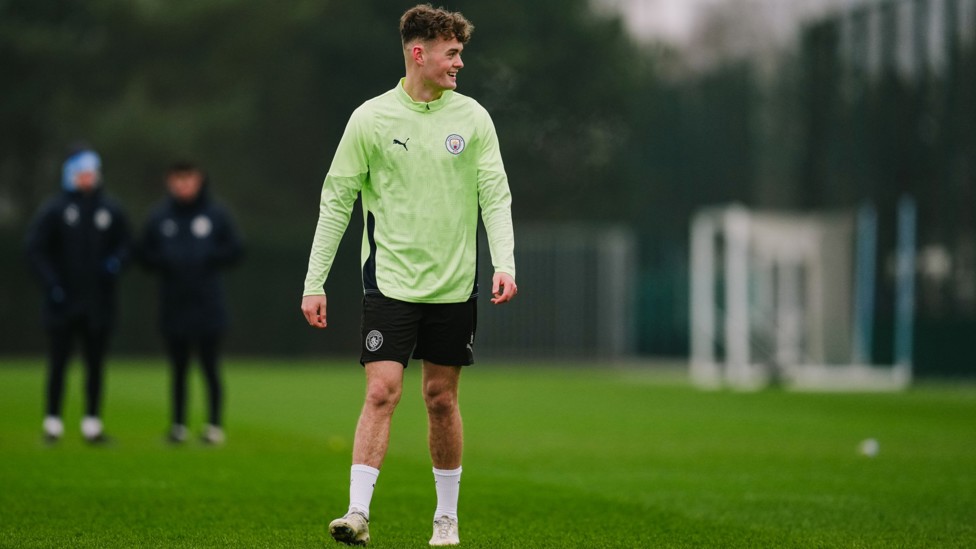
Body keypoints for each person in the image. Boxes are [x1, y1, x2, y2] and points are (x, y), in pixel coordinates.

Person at [300, 4, 517, 546]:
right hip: (390, 283)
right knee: (383, 391)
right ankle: (357, 514)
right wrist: (314, 280)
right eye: (452, 53)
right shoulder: (370, 119)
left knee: (441, 398)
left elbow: (496, 195)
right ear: (419, 54)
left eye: (461, 53)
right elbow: (336, 202)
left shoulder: (473, 119)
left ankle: (446, 519)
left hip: (453, 285)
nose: (459, 63)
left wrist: (504, 262)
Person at [25, 145, 131, 444]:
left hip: (98, 303)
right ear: (71, 175)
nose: (89, 179)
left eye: (92, 173)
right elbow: (34, 250)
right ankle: (53, 422)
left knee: (95, 364)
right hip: (63, 303)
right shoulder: (55, 210)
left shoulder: (109, 209)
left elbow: (127, 244)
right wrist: (51, 284)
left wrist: (116, 263)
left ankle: (92, 424)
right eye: (83, 173)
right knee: (58, 363)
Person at [138, 162, 243, 445]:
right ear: (169, 181)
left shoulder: (215, 213)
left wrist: (209, 258)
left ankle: (213, 425)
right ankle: (178, 426)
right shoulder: (160, 217)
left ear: (199, 180)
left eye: (189, 179)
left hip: (208, 303)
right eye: (178, 179)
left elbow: (236, 249)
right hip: (173, 303)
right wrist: (166, 262)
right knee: (178, 368)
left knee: (210, 366)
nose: (183, 185)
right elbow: (143, 253)